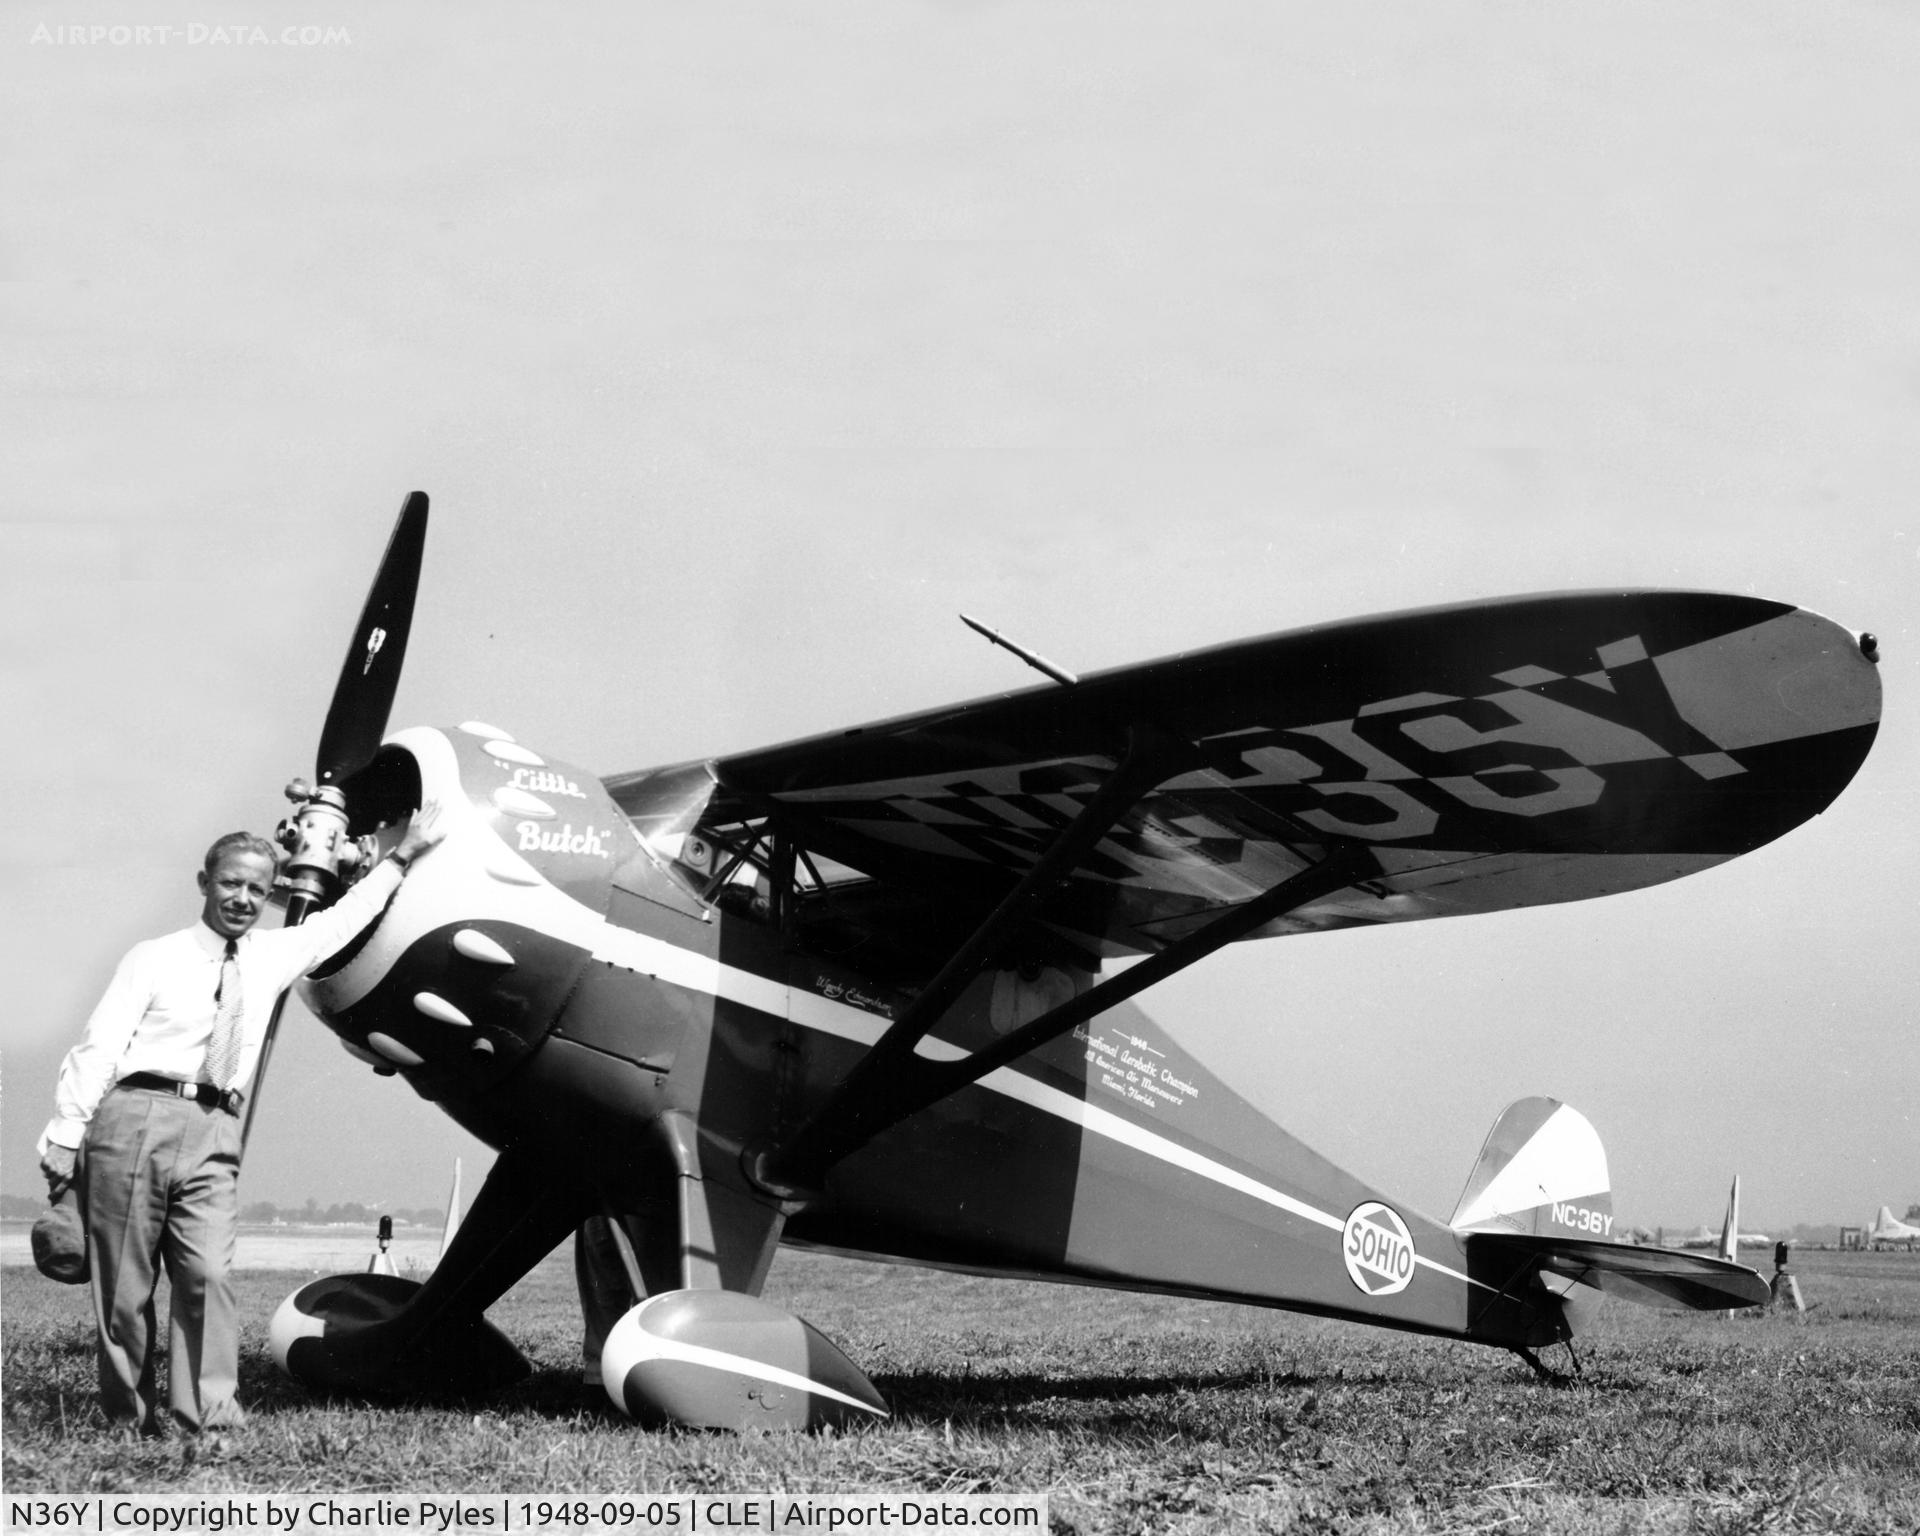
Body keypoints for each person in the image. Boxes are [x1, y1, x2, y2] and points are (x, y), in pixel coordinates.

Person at [37, 801, 446, 1437]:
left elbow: (346, 919)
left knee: (209, 1275)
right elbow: (98, 1048)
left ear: (271, 893)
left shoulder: (272, 955)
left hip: (215, 1128)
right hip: (133, 1118)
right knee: (124, 1287)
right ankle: (129, 1420)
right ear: (205, 883)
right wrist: (65, 1138)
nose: (243, 898)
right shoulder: (154, 957)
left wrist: (400, 857)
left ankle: (211, 1418)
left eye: (258, 888)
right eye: (231, 883)